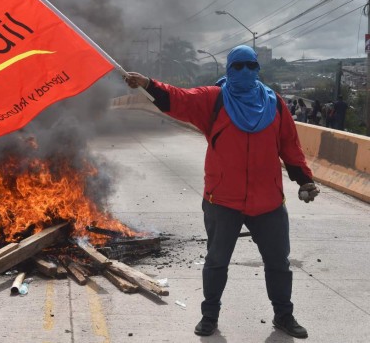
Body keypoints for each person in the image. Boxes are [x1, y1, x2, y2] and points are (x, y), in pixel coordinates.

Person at [124, 45, 319, 339]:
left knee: (279, 263)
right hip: (222, 200)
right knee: (216, 262)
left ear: (257, 69)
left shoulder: (274, 103)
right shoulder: (214, 99)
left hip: (268, 201)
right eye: (238, 66)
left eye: (250, 66)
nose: (245, 72)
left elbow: (290, 145)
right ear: (228, 69)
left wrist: (303, 179)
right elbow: (179, 99)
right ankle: (209, 317)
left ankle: (284, 316)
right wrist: (148, 84)